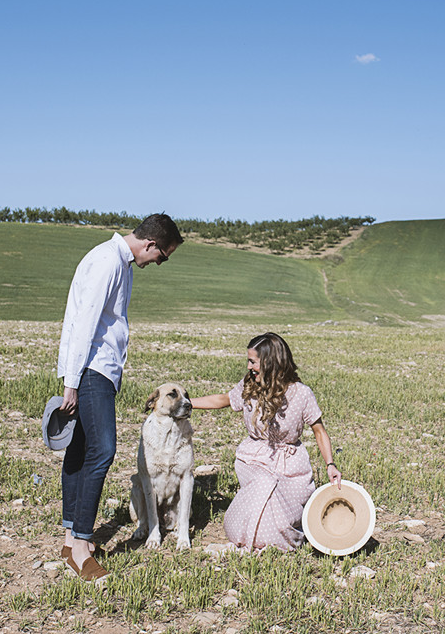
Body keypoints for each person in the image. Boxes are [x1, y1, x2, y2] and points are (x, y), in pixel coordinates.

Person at [56, 213, 183, 581]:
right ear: (150, 244)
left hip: (99, 370)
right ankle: (80, 547)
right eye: (163, 256)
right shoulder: (108, 262)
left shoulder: (119, 263)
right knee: (103, 450)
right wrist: (72, 380)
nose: (159, 263)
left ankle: (70, 537)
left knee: (80, 449)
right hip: (91, 369)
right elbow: (84, 324)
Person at [191, 332, 342, 552]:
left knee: (280, 521)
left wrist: (330, 465)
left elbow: (319, 431)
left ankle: (274, 539)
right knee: (263, 485)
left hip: (291, 468)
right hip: (255, 460)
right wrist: (187, 403)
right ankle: (255, 537)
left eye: (253, 362)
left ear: (271, 363)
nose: (249, 367)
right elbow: (223, 399)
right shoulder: (250, 384)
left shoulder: (301, 393)